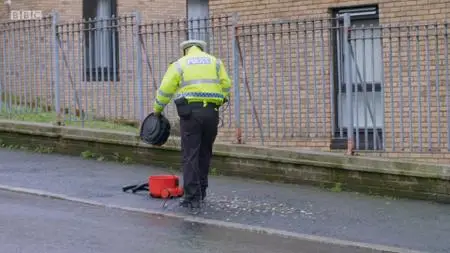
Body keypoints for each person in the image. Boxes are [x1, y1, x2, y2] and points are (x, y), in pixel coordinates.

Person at [152, 40, 232, 208]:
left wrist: (157, 109)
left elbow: (166, 88)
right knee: (205, 152)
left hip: (191, 114)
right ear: (201, 48)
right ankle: (202, 192)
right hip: (212, 112)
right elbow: (226, 84)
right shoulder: (215, 62)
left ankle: (191, 197)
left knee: (190, 154)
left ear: (185, 50)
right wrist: (222, 98)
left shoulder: (179, 64)